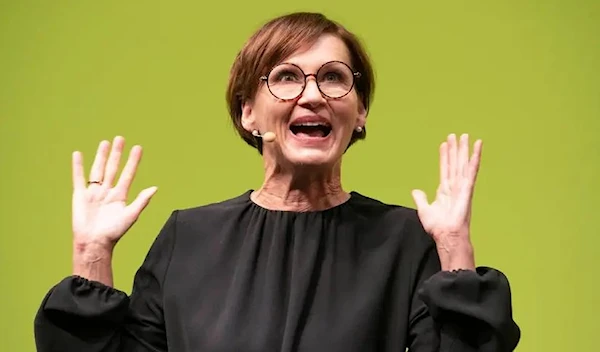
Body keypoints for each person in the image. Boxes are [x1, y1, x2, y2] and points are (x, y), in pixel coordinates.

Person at [33, 11, 521, 352]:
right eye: (286, 77)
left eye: (333, 78)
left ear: (361, 112)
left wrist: (455, 247)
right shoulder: (189, 238)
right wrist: (92, 254)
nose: (313, 95)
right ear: (248, 112)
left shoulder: (405, 240)